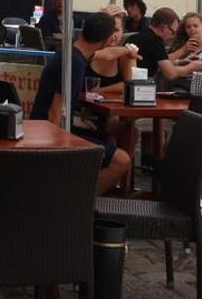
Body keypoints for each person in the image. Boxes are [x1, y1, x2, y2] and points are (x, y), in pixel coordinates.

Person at [30, 12, 132, 195]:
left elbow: (109, 54)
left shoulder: (73, 53)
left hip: (41, 127)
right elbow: (55, 112)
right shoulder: (76, 64)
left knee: (113, 133)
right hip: (48, 134)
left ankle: (76, 193)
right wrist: (54, 153)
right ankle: (78, 203)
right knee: (122, 160)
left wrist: (127, 51)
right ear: (108, 39)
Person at [125, 6, 202, 85]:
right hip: (135, 87)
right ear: (164, 27)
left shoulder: (138, 36)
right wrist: (191, 67)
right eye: (172, 32)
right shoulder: (155, 41)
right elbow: (170, 74)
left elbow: (159, 60)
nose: (171, 36)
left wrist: (178, 62)